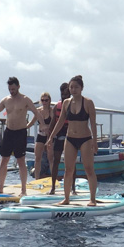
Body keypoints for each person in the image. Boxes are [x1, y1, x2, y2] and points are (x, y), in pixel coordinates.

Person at [0, 78, 43, 197]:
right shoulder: (6, 100)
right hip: (9, 132)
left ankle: (23, 190)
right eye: (10, 89)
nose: (11, 91)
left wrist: (45, 125)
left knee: (21, 160)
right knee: (4, 160)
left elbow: (36, 113)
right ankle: (1, 187)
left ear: (18, 87)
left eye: (13, 89)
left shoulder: (25, 100)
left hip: (20, 132)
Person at [47, 75, 98, 205]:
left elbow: (93, 123)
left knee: (89, 169)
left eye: (76, 87)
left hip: (85, 139)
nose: (73, 89)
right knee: (68, 170)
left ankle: (92, 199)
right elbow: (60, 122)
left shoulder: (88, 103)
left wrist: (95, 142)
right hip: (70, 139)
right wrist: (51, 136)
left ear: (81, 88)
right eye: (71, 87)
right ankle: (66, 198)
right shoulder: (66, 103)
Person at [49, 82, 71, 194]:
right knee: (56, 159)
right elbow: (53, 123)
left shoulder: (74, 105)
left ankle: (73, 188)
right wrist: (49, 138)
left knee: (70, 162)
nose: (64, 95)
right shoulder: (56, 107)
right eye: (62, 93)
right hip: (59, 133)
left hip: (70, 133)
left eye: (66, 93)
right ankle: (53, 187)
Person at [31, 91, 55, 179]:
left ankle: (53, 178)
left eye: (46, 100)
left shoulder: (51, 111)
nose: (44, 102)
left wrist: (49, 129)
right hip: (40, 135)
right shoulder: (38, 111)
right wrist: (23, 126)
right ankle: (37, 179)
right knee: (37, 158)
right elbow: (32, 122)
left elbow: (54, 124)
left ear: (49, 101)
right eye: (42, 100)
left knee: (50, 158)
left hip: (49, 136)